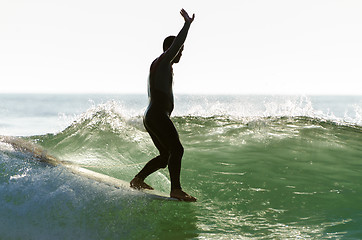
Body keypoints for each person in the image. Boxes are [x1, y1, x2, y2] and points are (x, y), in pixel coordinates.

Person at [130, 9, 196, 202]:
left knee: (166, 155)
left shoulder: (160, 66)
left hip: (151, 115)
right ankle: (176, 189)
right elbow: (176, 45)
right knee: (178, 150)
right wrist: (187, 25)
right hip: (157, 114)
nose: (180, 54)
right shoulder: (164, 61)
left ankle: (138, 179)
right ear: (171, 50)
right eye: (179, 51)